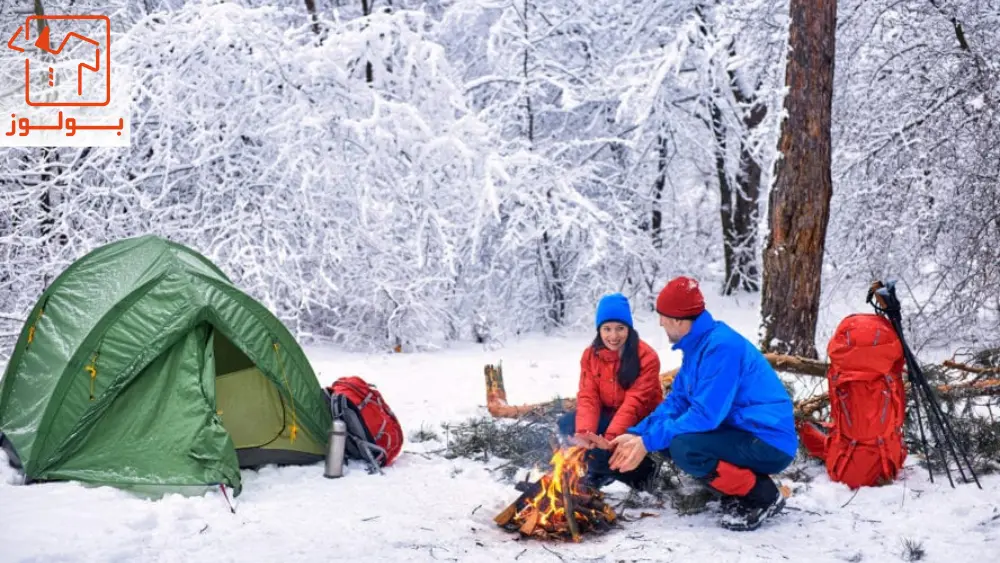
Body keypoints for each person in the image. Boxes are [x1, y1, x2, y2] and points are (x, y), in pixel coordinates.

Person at [608, 276, 797, 532]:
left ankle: (761, 495)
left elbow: (704, 416)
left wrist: (647, 442)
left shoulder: (721, 347)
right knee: (667, 439)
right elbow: (677, 401)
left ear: (677, 320)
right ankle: (736, 490)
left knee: (684, 446)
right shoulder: (698, 346)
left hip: (768, 440)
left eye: (663, 316)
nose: (660, 322)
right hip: (741, 432)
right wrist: (637, 434)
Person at [558, 293, 664, 490]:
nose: (613, 336)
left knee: (600, 453)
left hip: (641, 421)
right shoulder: (591, 355)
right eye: (607, 329)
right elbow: (589, 396)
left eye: (620, 329)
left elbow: (635, 404)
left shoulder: (646, 357)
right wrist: (586, 433)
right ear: (599, 330)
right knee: (568, 425)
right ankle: (601, 470)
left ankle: (645, 473)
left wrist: (609, 439)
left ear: (629, 329)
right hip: (610, 414)